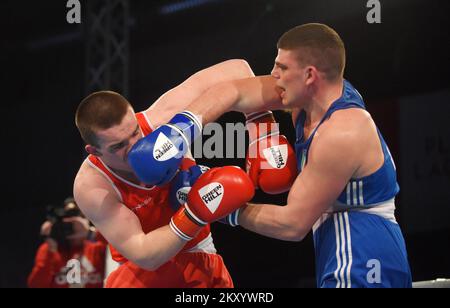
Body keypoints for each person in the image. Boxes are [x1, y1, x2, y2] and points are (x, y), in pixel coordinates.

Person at [129, 23, 412, 288]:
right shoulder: (315, 95)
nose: (273, 74)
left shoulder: (341, 132)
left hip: (363, 253)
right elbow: (234, 88)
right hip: (342, 245)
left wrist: (216, 203)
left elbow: (292, 225)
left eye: (282, 67)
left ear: (310, 74)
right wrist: (181, 130)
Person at [73, 60, 255, 288]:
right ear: (94, 151)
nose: (134, 146)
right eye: (118, 146)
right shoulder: (92, 186)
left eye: (135, 132)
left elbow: (238, 69)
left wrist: (262, 128)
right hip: (138, 273)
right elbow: (145, 254)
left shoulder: (160, 120)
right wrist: (196, 210)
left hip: (199, 253)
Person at [28, 198, 106, 288]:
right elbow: (36, 285)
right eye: (67, 221)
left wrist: (91, 233)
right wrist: (49, 246)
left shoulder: (98, 247)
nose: (70, 225)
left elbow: (119, 249)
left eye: (75, 220)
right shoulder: (48, 249)